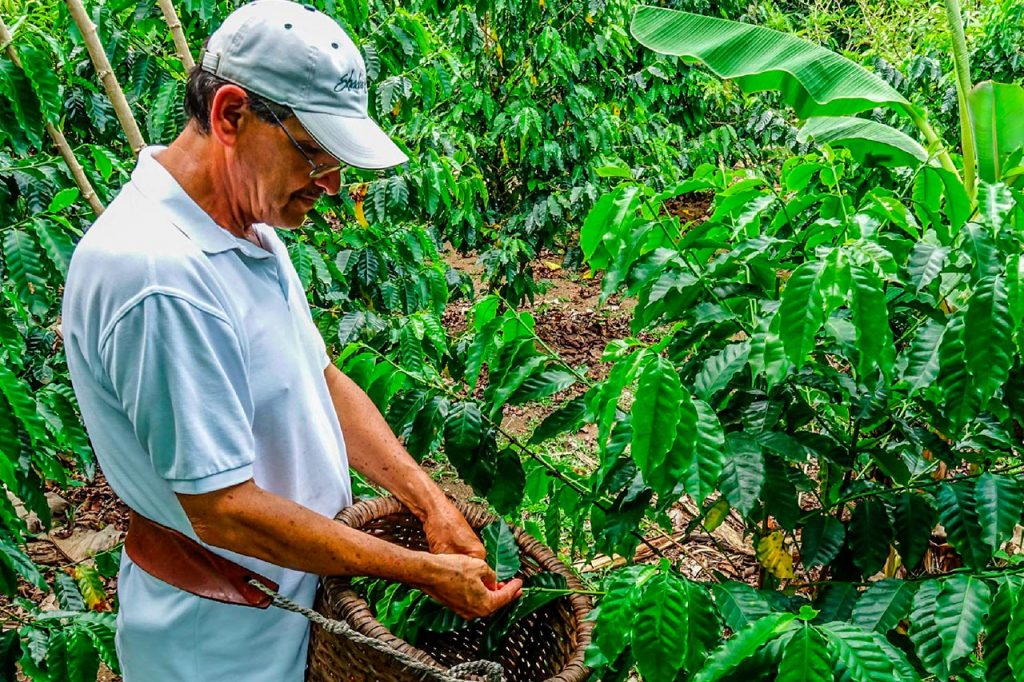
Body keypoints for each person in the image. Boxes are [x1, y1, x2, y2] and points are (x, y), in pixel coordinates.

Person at [61, 1, 522, 679]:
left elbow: (321, 380)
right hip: (219, 646)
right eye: (312, 153)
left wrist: (431, 504)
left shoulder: (248, 230)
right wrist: (419, 570)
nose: (333, 186)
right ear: (229, 115)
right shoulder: (160, 275)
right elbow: (223, 510)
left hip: (288, 612)